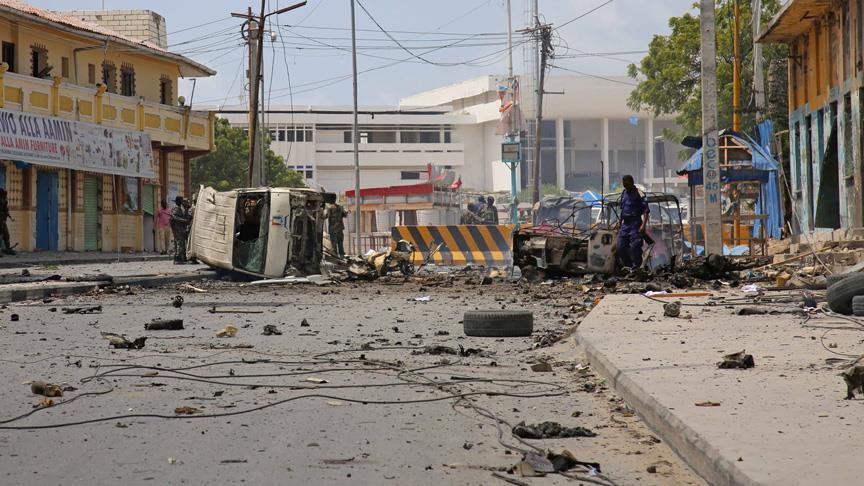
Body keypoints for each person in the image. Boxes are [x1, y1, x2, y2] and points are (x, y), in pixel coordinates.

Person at [615, 175, 649, 270]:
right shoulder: (624, 193)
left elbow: (646, 210)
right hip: (625, 224)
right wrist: (620, 222)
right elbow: (623, 209)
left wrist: (643, 225)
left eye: (626, 183)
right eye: (623, 183)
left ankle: (636, 268)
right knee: (620, 247)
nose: (624, 185)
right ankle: (629, 266)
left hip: (636, 223)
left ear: (631, 182)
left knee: (635, 247)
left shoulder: (640, 193)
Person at [170, 196, 191, 263]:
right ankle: (177, 258)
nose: (182, 202)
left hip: (181, 228)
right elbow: (175, 217)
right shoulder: (176, 208)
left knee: (181, 242)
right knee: (179, 242)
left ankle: (181, 257)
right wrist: (184, 220)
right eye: (181, 201)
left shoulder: (181, 208)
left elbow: (186, 216)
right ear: (178, 201)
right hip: (177, 228)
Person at [0, 189, 13, 255]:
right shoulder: (3, 200)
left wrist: (9, 216)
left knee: (5, 235)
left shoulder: (4, 200)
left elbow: (6, 210)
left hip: (2, 220)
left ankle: (7, 249)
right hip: (1, 220)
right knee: (5, 235)